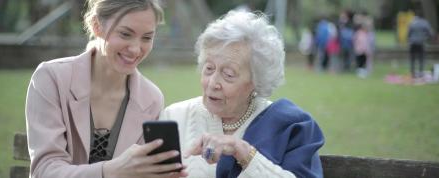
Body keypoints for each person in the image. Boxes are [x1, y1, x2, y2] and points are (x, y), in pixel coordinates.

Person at [25, 0, 187, 177]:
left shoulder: (151, 98)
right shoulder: (51, 78)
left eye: (147, 38)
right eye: (125, 34)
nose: (135, 49)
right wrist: (109, 171)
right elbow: (44, 170)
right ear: (96, 26)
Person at [160, 10, 325, 178]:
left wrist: (244, 153)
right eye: (209, 68)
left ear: (256, 81)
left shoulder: (289, 126)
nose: (212, 83)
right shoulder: (174, 116)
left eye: (228, 74)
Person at [408, 11, 433, 78]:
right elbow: (430, 33)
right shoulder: (425, 22)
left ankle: (413, 73)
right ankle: (421, 73)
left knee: (412, 58)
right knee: (421, 58)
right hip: (421, 42)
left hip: (412, 42)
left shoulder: (412, 22)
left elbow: (409, 33)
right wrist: (427, 37)